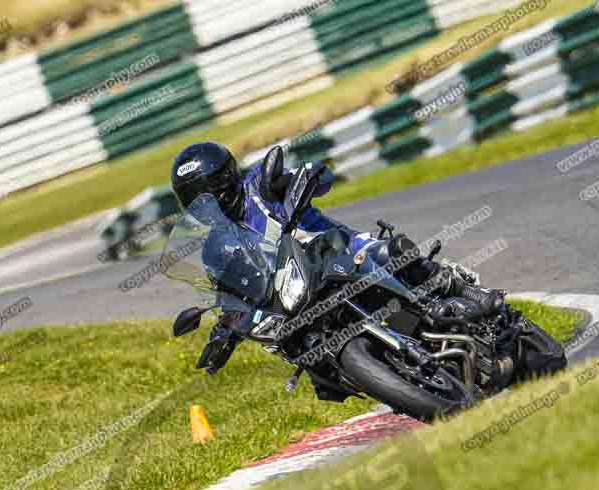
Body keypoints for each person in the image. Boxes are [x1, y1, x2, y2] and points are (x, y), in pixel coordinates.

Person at [170, 142, 473, 374]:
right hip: (298, 296)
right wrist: (223, 335)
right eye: (194, 201)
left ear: (225, 181)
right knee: (309, 360)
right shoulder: (216, 248)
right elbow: (231, 296)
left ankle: (457, 288)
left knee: (390, 253)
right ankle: (385, 377)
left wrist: (305, 178)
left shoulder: (260, 186)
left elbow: (318, 175)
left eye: (206, 195)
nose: (204, 206)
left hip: (340, 251)